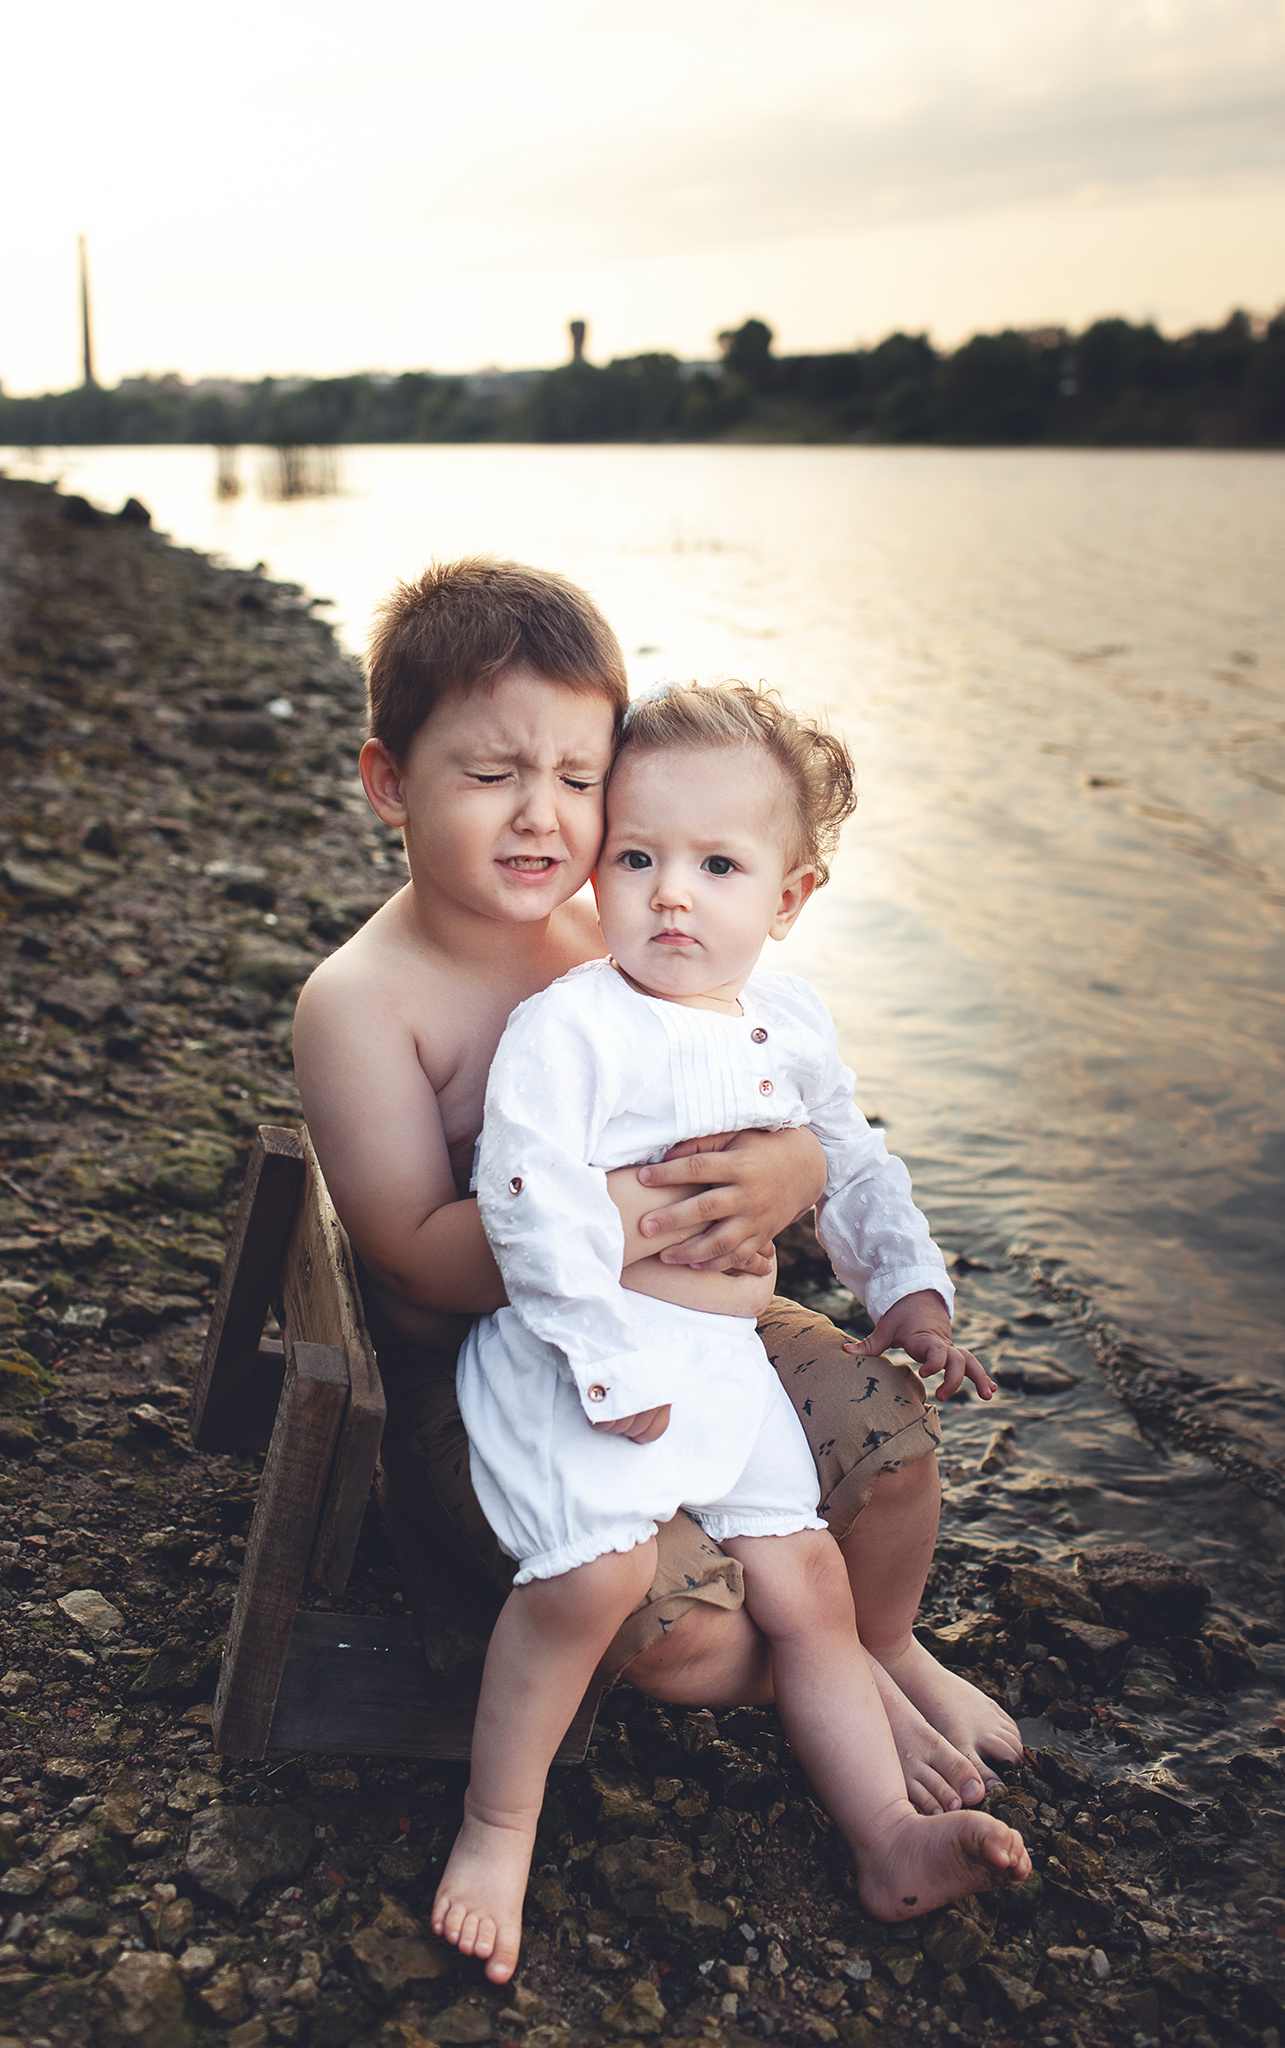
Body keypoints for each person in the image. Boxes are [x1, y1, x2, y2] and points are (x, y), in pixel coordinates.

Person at [291, 559, 1021, 1855]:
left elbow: (771, 1084)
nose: (542, 819)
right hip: (495, 1378)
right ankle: (830, 1673)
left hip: (698, 1325)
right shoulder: (363, 1002)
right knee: (697, 1640)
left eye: (579, 780)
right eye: (490, 774)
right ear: (388, 783)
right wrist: (630, 1212)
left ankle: (882, 1649)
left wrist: (795, 1168)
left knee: (896, 1442)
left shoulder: (617, 924)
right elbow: (406, 1261)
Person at [429, 682, 1030, 1979]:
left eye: (716, 864)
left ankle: (883, 1835)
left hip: (722, 1365)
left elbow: (855, 1164)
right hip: (573, 1355)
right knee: (588, 1579)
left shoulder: (788, 1022)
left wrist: (907, 1292)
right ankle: (497, 1822)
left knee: (808, 1585)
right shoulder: (572, 1026)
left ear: (791, 896)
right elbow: (526, 1201)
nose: (671, 896)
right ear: (596, 871)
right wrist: (600, 1356)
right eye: (636, 858)